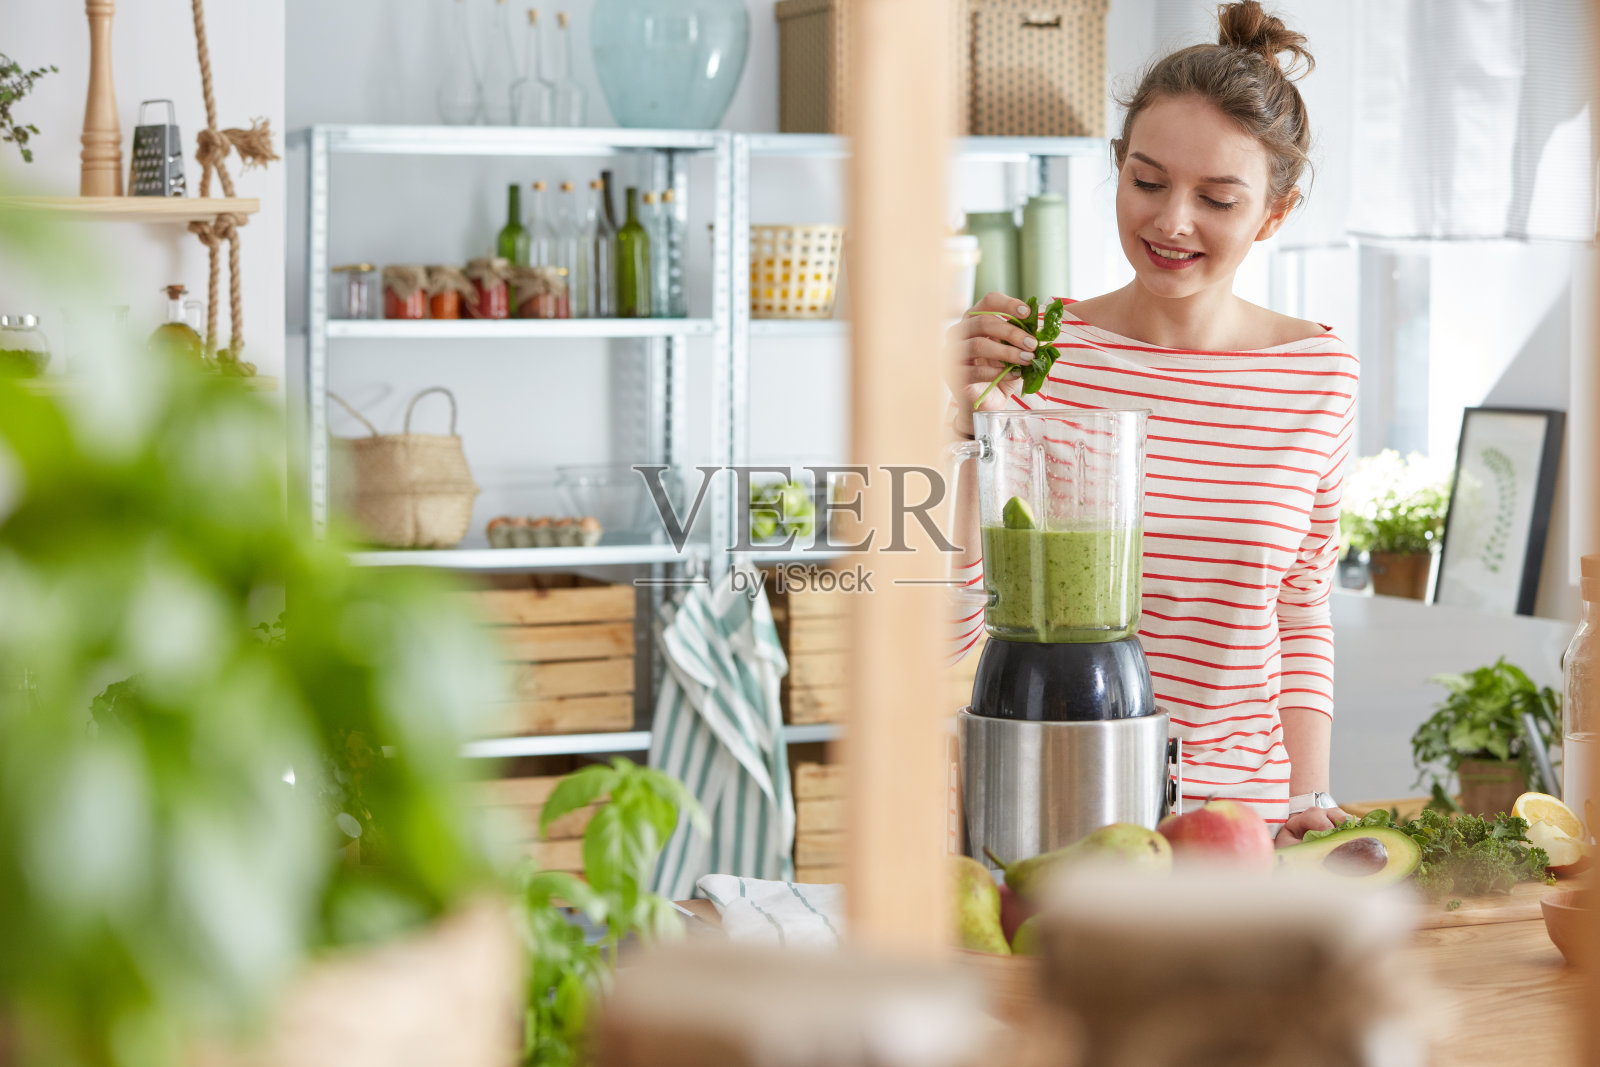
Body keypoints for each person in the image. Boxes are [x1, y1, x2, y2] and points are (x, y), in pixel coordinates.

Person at [944, 1, 1356, 847]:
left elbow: (1302, 606)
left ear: (1273, 214)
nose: (1171, 221)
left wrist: (1308, 794)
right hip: (1051, 808)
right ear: (1117, 167)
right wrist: (950, 427)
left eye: (1217, 197)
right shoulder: (1032, 355)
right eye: (1148, 180)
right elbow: (954, 624)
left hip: (1239, 823)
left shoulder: (1318, 372)